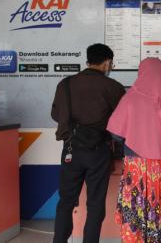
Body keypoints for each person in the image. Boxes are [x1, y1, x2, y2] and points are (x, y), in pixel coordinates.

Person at [107, 58, 161, 242]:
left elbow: (115, 132)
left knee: (136, 203)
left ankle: (135, 237)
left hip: (137, 165)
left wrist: (137, 138)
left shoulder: (130, 98)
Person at [51, 43, 126, 243]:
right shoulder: (113, 87)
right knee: (95, 204)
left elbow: (55, 115)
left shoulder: (65, 84)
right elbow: (125, 119)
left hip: (70, 150)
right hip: (98, 151)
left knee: (66, 202)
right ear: (107, 62)